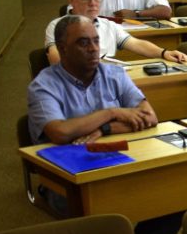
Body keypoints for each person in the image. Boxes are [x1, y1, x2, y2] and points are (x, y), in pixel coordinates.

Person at [28, 15, 157, 144]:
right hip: (66, 159)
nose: (94, 48)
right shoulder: (43, 86)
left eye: (96, 41)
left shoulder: (115, 74)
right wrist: (111, 113)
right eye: (84, 43)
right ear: (62, 49)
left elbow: (150, 117)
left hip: (113, 156)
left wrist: (105, 129)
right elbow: (60, 133)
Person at [45, 0, 187, 65]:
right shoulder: (57, 26)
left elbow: (137, 44)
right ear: (72, 0)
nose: (93, 3)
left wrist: (164, 53)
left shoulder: (108, 25)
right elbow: (56, 59)